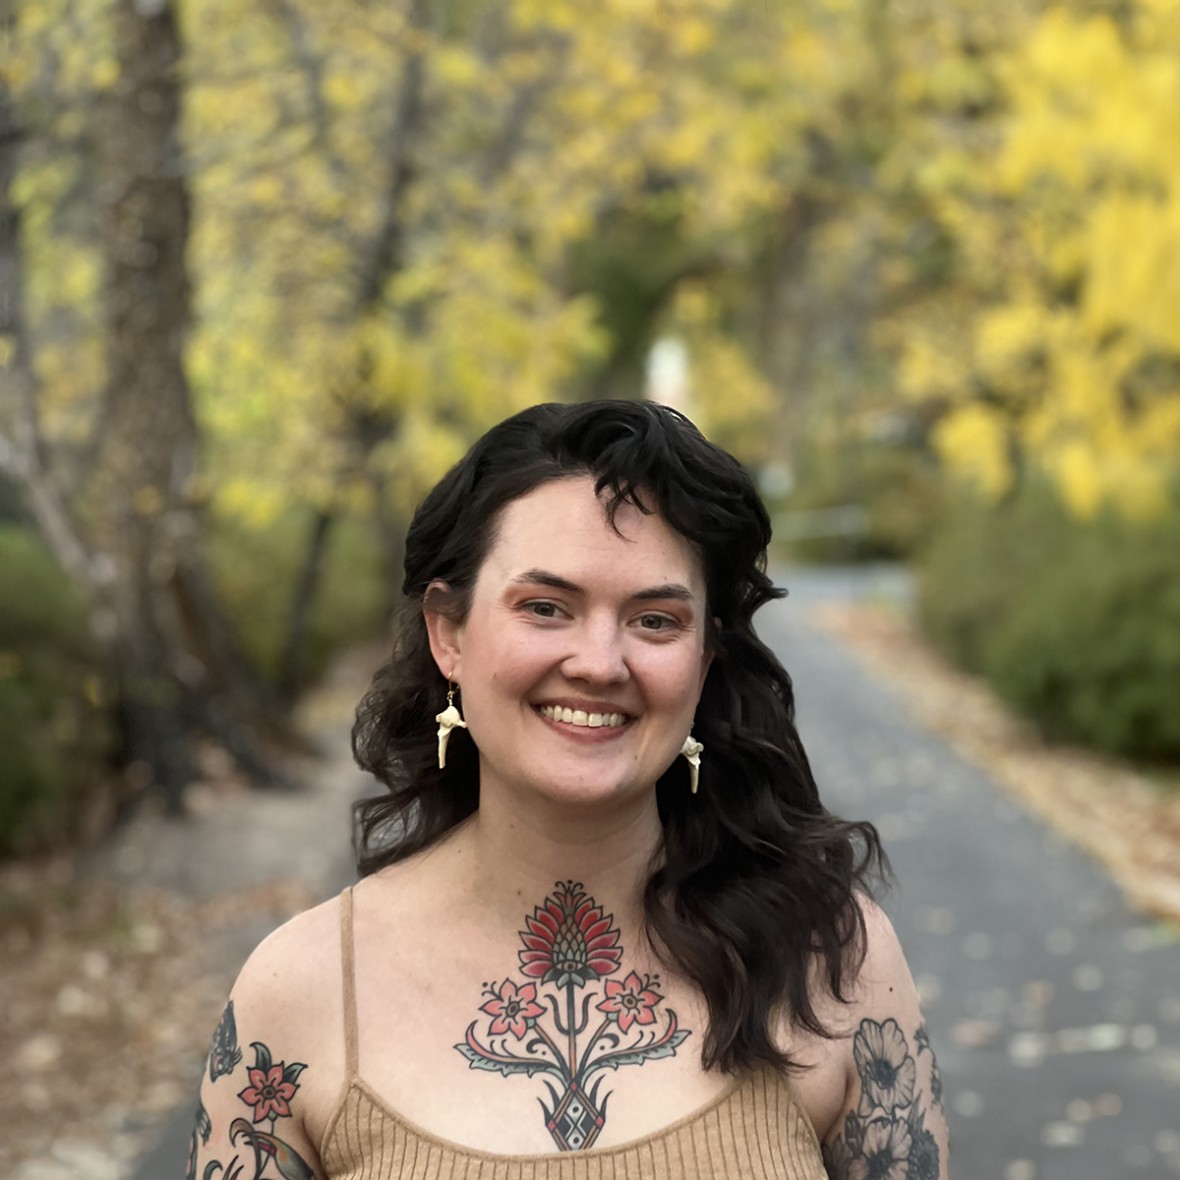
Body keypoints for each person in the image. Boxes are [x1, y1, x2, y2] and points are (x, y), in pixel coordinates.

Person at [190, 401, 949, 1180]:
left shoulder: (832, 964)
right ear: (446, 632)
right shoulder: (302, 995)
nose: (599, 662)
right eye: (545, 608)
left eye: (655, 621)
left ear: (706, 660)